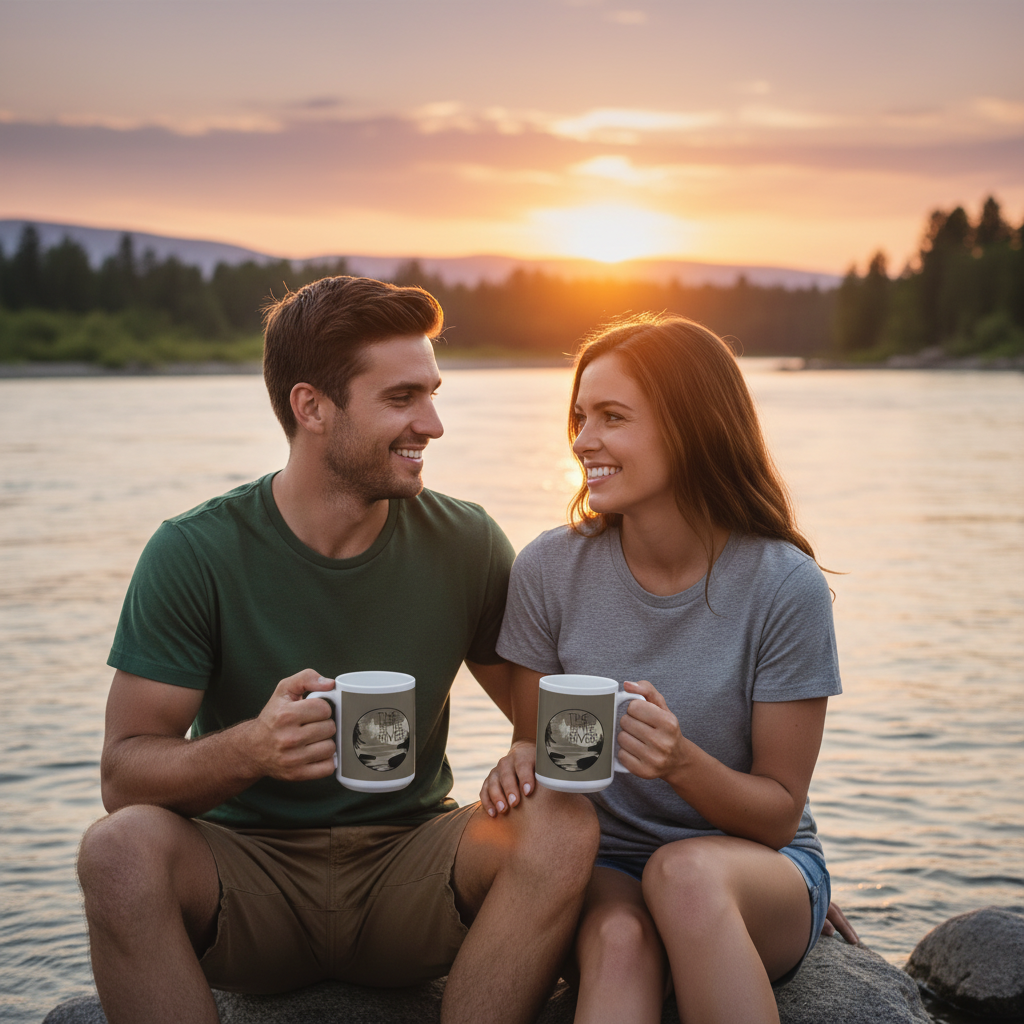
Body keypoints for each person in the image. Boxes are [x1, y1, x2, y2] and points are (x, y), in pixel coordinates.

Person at [76, 275, 599, 1024]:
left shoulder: (467, 543)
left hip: (411, 871)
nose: (434, 424)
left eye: (433, 393)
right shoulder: (195, 550)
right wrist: (251, 750)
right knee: (116, 851)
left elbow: (547, 722)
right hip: (245, 878)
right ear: (311, 407)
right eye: (402, 399)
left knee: (560, 820)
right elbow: (124, 775)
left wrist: (530, 748)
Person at [480, 313, 857, 1024]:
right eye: (580, 415)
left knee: (682, 877)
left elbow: (778, 814)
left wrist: (680, 762)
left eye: (612, 417)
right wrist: (516, 766)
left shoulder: (782, 586)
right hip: (600, 870)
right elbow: (534, 752)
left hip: (748, 867)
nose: (583, 439)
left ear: (691, 427)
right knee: (621, 941)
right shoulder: (547, 571)